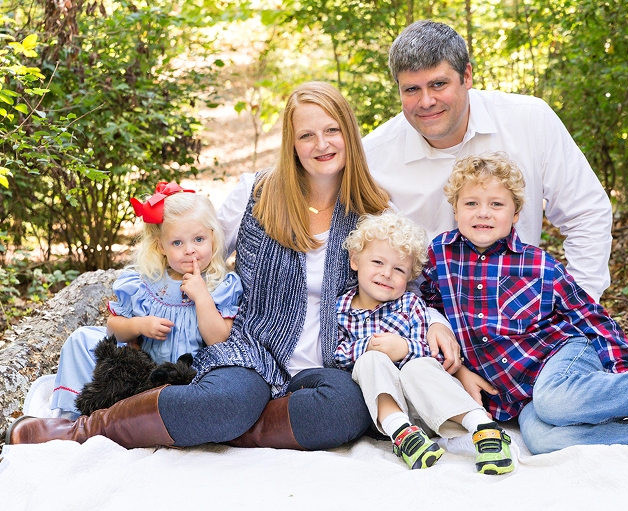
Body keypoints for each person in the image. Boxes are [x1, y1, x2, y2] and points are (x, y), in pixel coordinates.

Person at [7, 81, 391, 451]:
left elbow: (405, 286)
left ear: (350, 136)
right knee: (225, 401)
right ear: (291, 144)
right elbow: (195, 247)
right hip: (249, 353)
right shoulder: (256, 194)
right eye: (307, 135)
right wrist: (146, 298)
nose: (321, 144)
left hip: (331, 363)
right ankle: (83, 429)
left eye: (332, 130)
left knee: (346, 409)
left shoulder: (375, 211)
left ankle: (227, 424)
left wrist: (436, 325)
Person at [420, 152, 628, 455]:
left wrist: (625, 380)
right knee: (541, 440)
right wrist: (461, 370)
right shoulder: (439, 255)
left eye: (496, 204)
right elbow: (423, 311)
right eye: (471, 203)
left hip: (562, 353)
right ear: (454, 208)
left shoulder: (538, 266)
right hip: (517, 392)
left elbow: (592, 319)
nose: (483, 213)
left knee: (553, 402)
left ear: (516, 213)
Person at [362, 20, 613, 307]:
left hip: (522, 314)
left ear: (466, 75)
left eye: (438, 84)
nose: (426, 101)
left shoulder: (529, 120)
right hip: (423, 326)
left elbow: (586, 213)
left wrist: (577, 305)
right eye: (411, 90)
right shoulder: (373, 157)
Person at [334, 211, 512, 474]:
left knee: (418, 366)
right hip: (383, 411)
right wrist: (367, 347)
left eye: (398, 269)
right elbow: (334, 355)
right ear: (355, 260)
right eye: (378, 262)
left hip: (430, 407)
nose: (386, 274)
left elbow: (433, 357)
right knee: (370, 360)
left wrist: (405, 349)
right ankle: (404, 437)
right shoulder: (340, 309)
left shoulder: (411, 304)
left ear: (409, 276)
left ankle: (484, 428)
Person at [50, 182, 242, 418]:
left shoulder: (220, 285)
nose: (190, 250)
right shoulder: (146, 283)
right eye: (177, 243)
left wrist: (202, 296)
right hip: (141, 372)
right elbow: (114, 329)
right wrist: (139, 325)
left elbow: (220, 340)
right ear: (161, 246)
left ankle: (137, 417)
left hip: (189, 377)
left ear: (213, 237)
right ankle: (73, 416)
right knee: (81, 339)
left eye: (199, 239)